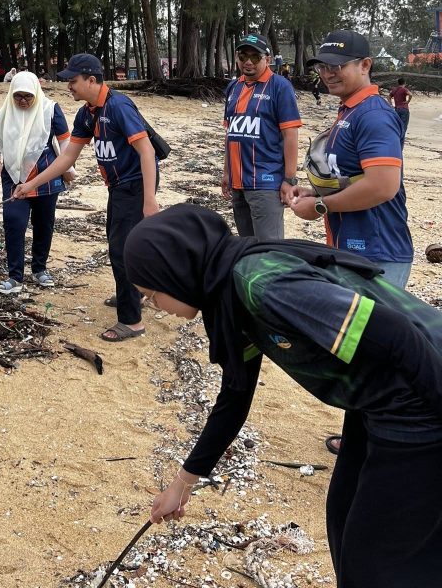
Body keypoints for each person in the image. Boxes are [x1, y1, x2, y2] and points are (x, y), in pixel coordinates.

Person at [124, 204, 442, 588]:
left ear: (176, 272)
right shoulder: (229, 293)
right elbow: (235, 395)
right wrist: (182, 484)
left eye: (151, 292)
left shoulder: (261, 284)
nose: (150, 304)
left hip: (420, 398)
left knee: (379, 560)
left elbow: (395, 334)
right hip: (375, 399)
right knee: (343, 515)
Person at [13, 53, 158, 342]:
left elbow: (147, 151)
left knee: (121, 250)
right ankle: (135, 293)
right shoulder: (86, 114)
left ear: (92, 80)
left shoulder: (119, 107)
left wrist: (150, 200)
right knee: (122, 245)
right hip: (117, 187)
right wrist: (30, 184)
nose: (69, 86)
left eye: (73, 80)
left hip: (135, 185)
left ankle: (132, 322)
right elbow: (67, 157)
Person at [292, 31, 412, 289]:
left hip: (378, 254)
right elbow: (350, 175)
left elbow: (382, 186)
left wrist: (320, 206)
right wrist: (315, 192)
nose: (327, 73)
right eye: (323, 66)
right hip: (349, 248)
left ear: (365, 65)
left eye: (337, 65)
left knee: (368, 330)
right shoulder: (349, 110)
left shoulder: (373, 115)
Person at [0, 72, 75, 294]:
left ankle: (40, 269)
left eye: (28, 96)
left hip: (46, 176)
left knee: (44, 223)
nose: (23, 101)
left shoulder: (50, 110)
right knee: (14, 222)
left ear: (36, 92)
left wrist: (68, 170)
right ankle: (15, 276)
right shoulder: (4, 113)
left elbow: (65, 143)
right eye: (18, 96)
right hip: (14, 178)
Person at [221, 33, 301, 239]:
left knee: (270, 252)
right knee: (247, 247)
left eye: (255, 57)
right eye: (242, 56)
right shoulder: (233, 87)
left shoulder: (280, 87)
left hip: (266, 183)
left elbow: (291, 135)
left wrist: (289, 179)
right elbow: (230, 133)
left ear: (267, 58)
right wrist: (227, 172)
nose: (248, 62)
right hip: (238, 184)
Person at [389, 76, 412, 142]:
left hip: (397, 109)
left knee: (397, 126)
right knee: (403, 127)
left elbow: (388, 97)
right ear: (404, 83)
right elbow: (410, 94)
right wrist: (408, 101)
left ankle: (396, 139)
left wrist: (391, 104)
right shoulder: (404, 89)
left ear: (398, 83)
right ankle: (400, 142)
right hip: (404, 109)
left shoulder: (395, 90)